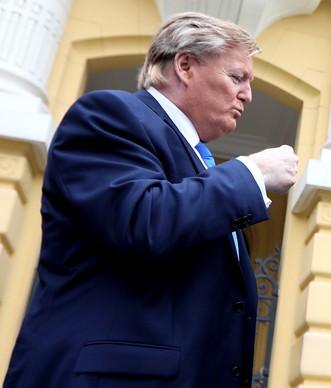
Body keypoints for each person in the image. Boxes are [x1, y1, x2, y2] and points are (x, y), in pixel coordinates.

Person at [4, 11, 298, 388]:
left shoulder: (200, 163)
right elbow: (143, 221)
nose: (248, 94)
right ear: (186, 65)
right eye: (236, 76)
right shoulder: (109, 115)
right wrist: (252, 173)